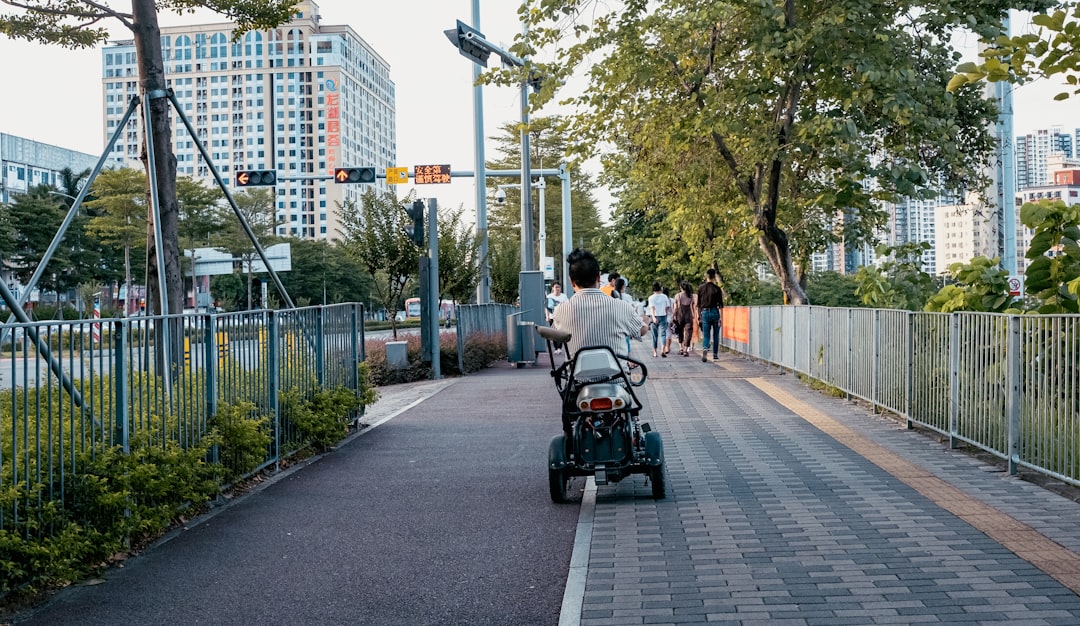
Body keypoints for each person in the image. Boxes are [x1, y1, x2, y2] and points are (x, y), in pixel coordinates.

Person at [551, 251, 647, 361]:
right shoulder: (621, 306)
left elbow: (555, 335)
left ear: (571, 280)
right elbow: (641, 330)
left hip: (578, 377)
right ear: (598, 277)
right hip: (617, 376)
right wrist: (645, 321)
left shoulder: (560, 310)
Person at [697, 268, 724, 362]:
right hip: (715, 312)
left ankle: (705, 348)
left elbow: (698, 304)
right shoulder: (717, 289)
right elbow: (720, 305)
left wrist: (698, 315)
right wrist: (721, 318)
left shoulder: (701, 288)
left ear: (706, 276)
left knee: (706, 334)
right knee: (716, 335)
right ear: (714, 277)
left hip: (704, 312)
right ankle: (715, 354)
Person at [647, 281, 672, 357]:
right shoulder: (664, 296)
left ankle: (655, 352)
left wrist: (654, 317)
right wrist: (666, 314)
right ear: (660, 288)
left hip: (654, 317)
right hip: (663, 316)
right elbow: (667, 307)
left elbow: (652, 308)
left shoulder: (651, 297)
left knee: (655, 335)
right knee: (663, 334)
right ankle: (663, 350)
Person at [672, 281, 695, 356]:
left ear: (681, 287)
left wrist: (674, 316)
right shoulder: (691, 296)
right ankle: (686, 350)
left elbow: (675, 308)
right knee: (688, 332)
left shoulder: (677, 296)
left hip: (680, 316)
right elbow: (692, 307)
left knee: (679, 331)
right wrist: (694, 315)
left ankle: (681, 348)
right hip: (689, 316)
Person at [545, 282, 569, 354]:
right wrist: (547, 316)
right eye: (556, 287)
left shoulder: (564, 296)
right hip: (552, 317)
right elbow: (546, 307)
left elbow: (568, 305)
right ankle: (556, 348)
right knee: (554, 333)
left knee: (560, 332)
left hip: (561, 317)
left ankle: (559, 348)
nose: (557, 289)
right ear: (552, 288)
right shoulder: (549, 297)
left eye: (559, 287)